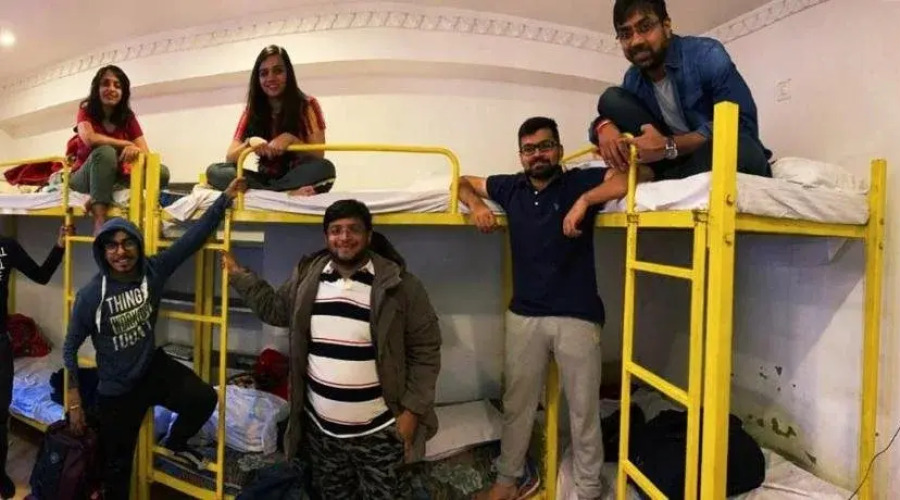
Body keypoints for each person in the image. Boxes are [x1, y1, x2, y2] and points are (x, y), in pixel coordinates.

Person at [460, 117, 641, 500]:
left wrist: (585, 201)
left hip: (578, 314)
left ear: (558, 149)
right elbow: (461, 181)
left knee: (584, 410)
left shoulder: (579, 181)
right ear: (520, 155)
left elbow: (630, 178)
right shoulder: (510, 187)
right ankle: (508, 481)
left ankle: (588, 488)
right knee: (517, 404)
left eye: (545, 146)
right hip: (524, 315)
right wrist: (475, 205)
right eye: (529, 149)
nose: (537, 155)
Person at [221, 199, 441, 500]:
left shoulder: (400, 285)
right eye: (336, 230)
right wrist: (238, 275)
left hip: (380, 434)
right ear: (326, 237)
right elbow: (275, 310)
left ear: (369, 235)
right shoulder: (307, 277)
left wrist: (412, 412)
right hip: (323, 436)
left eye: (353, 229)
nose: (344, 237)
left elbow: (426, 350)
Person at [62, 178, 247, 500]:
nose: (121, 252)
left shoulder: (153, 271)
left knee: (204, 398)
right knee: (116, 473)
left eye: (127, 243)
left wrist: (224, 199)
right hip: (116, 390)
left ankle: (175, 441)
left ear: (137, 244)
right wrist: (75, 401)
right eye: (112, 245)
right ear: (103, 252)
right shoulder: (91, 295)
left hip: (152, 369)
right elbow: (69, 347)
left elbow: (192, 239)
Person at [589, 0, 772, 181]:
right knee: (610, 98)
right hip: (672, 161)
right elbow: (612, 114)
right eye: (625, 34)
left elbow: (742, 125)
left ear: (666, 26)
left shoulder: (706, 55)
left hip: (710, 151)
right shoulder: (633, 79)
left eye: (645, 27)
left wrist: (669, 146)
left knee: (744, 151)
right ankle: (668, 175)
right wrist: (604, 127)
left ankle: (662, 177)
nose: (636, 41)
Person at [0, 224, 73, 499]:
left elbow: (41, 276)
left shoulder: (7, 246)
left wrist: (60, 246)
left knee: (0, 413)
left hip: (0, 343)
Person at [206, 45, 337, 196]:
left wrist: (291, 140)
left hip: (296, 176)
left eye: (278, 71)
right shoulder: (251, 111)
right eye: (264, 73)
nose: (270, 78)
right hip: (264, 180)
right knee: (215, 171)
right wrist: (249, 143)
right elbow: (230, 157)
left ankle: (268, 193)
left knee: (325, 168)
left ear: (288, 74)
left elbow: (318, 155)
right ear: (258, 79)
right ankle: (281, 193)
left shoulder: (307, 105)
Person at [69, 65, 171, 234]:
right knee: (105, 152)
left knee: (160, 171)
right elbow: (90, 138)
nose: (112, 89)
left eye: (117, 86)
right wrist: (125, 144)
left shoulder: (128, 117)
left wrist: (136, 151)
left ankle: (100, 192)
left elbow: (146, 153)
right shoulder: (86, 109)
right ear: (97, 88)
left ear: (123, 92)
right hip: (84, 176)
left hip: (114, 175)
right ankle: (99, 221)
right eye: (106, 84)